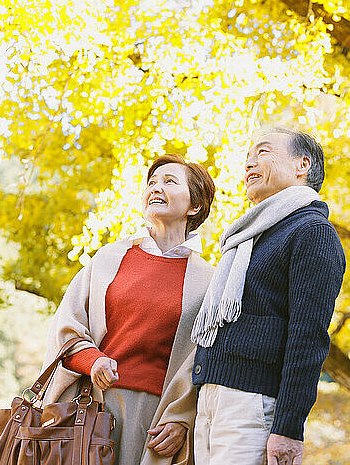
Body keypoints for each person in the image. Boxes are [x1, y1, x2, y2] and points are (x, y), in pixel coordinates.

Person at [41, 153, 216, 465]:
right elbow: (65, 326)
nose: (156, 187)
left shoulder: (209, 281)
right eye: (152, 182)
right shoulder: (109, 258)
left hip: (157, 421)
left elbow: (207, 362)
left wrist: (183, 421)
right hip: (91, 407)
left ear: (195, 205)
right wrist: (92, 361)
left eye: (170, 181)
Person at [191, 128, 346, 465]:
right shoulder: (247, 237)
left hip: (253, 404)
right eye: (248, 156)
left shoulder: (312, 232)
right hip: (211, 399)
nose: (249, 162)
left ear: (302, 165)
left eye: (262, 152)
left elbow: (309, 337)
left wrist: (289, 427)